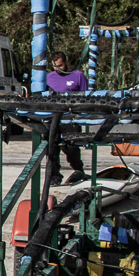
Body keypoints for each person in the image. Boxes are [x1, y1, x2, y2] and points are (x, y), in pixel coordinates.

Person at [46, 51, 89, 185]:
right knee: (51, 149)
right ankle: (54, 176)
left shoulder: (78, 76)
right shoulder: (49, 77)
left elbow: (86, 96)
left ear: (66, 62)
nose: (57, 69)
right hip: (53, 118)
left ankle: (78, 170)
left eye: (60, 66)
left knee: (71, 148)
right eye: (54, 66)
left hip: (71, 119)